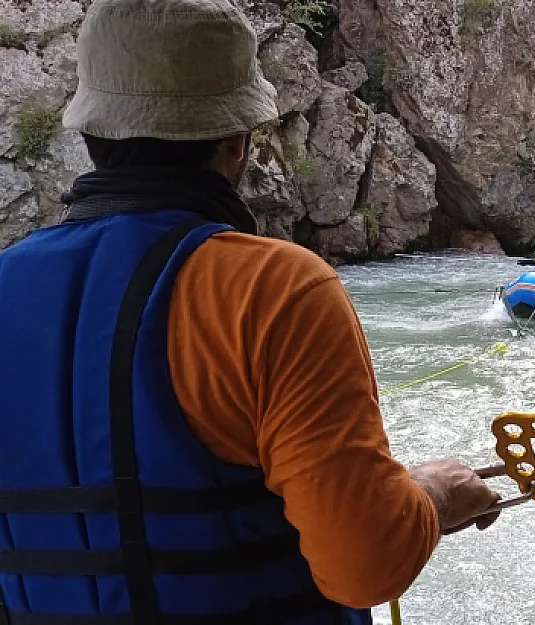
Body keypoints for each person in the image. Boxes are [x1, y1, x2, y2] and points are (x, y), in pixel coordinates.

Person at [0, 1, 500, 623]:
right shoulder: (275, 288)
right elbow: (363, 565)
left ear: (91, 132)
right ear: (236, 142)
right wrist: (432, 494)